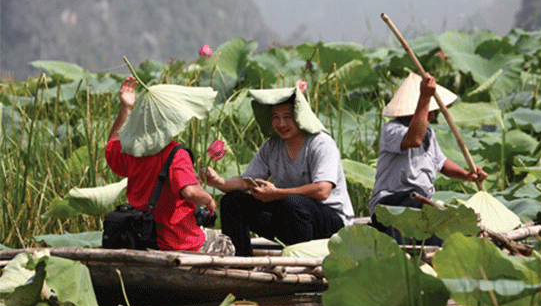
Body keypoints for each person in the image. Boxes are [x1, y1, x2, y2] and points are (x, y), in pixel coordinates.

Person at [202, 87, 355, 256]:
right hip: (290, 218)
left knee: (292, 202)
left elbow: (323, 190)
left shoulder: (321, 143)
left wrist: (277, 193)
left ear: (300, 117)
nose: (281, 124)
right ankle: (240, 261)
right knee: (232, 201)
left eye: (287, 117)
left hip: (331, 223)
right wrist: (218, 182)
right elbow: (245, 181)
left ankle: (300, 263)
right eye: (276, 117)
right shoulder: (271, 146)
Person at [106, 76, 234, 254]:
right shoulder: (176, 153)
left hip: (142, 237)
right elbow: (189, 192)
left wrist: (125, 107)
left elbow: (112, 143)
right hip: (179, 242)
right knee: (226, 244)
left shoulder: (130, 149)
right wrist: (208, 199)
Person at [369, 72, 488, 245]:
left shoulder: (429, 133)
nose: (433, 113)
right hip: (390, 204)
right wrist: (425, 96)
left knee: (439, 226)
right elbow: (414, 140)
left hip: (420, 204)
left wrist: (466, 175)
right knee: (413, 203)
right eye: (429, 107)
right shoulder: (392, 129)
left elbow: (441, 162)